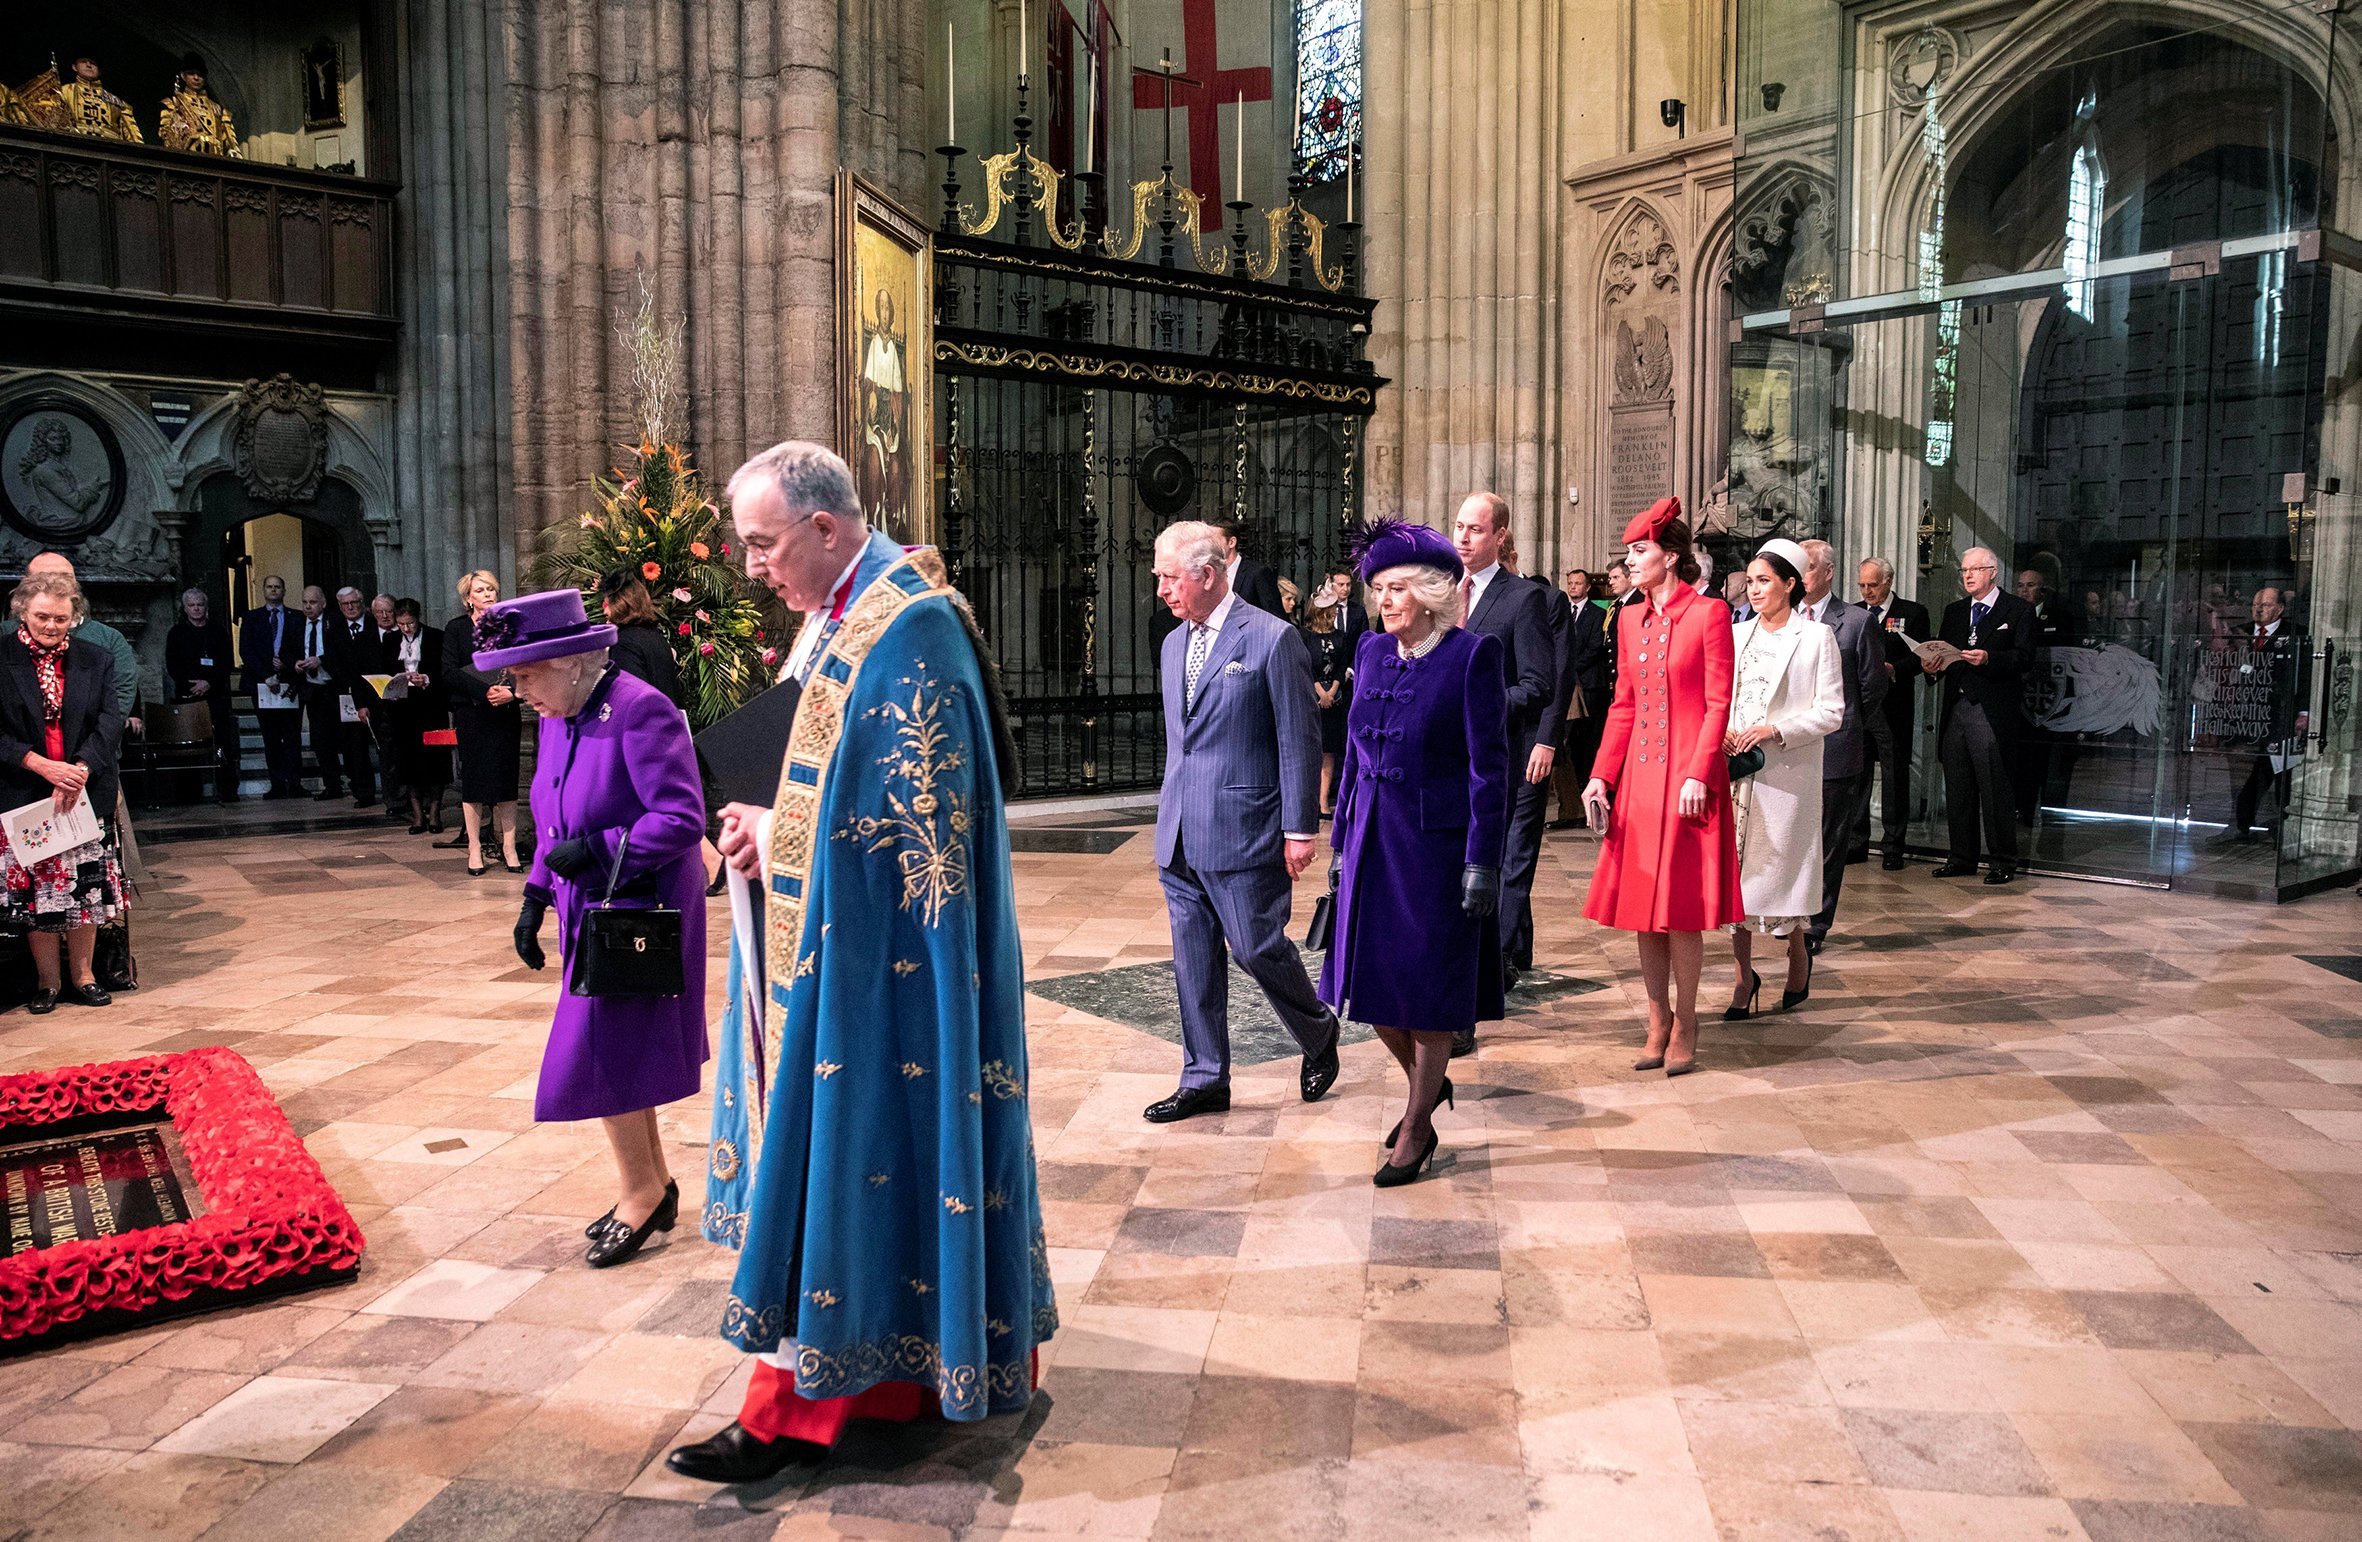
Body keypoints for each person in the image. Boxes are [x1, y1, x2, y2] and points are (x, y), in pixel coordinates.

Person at [681, 441, 1052, 1482]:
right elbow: (832, 773)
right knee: (883, 1150)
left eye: (762, 545)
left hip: (885, 962)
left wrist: (777, 829)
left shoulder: (908, 623)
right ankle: (898, 1380)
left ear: (825, 529)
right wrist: (765, 819)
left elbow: (913, 823)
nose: (752, 567)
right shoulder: (844, 613)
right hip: (855, 946)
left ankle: (785, 1412)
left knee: (841, 1149)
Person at [490, 589, 708, 1268]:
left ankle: (640, 1195)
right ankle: (655, 1185)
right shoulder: (562, 710)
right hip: (592, 905)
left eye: (527, 674)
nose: (518, 689)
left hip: (639, 910)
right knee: (622, 1048)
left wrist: (602, 848)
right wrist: (534, 895)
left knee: (604, 1053)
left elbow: (681, 816)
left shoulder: (642, 710)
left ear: (575, 660)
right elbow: (553, 810)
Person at [1322, 518, 1507, 1185]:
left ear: (1431, 592)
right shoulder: (1371, 653)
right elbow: (1350, 759)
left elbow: (1491, 768)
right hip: (1372, 841)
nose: (1387, 601)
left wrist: (1483, 860)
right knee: (1369, 991)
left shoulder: (1470, 657)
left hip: (1435, 850)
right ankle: (1424, 1094)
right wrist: (1340, 839)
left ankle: (1417, 1123)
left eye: (1398, 588)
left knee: (1428, 992)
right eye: (1380, 590)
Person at [1142, 521, 1342, 1123]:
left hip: (1244, 826)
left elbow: (1298, 740)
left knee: (1257, 948)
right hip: (1179, 830)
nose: (1161, 590)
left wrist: (1299, 828)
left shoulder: (1272, 638)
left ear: (1207, 574)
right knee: (1193, 959)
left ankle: (1318, 1031)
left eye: (1168, 577)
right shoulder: (1174, 642)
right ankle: (1204, 1076)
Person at [1581, 498, 1741, 1077]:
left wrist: (1700, 771)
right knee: (1642, 909)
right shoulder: (1628, 618)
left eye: (1640, 550)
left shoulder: (1709, 614)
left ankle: (1688, 1020)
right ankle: (1657, 1019)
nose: (1630, 560)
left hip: (1688, 778)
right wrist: (1601, 774)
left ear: (1670, 557)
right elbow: (1623, 706)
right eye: (1630, 552)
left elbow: (1719, 702)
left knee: (1679, 910)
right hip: (1641, 782)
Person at [1722, 541, 1844, 1019]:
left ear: (1791, 584)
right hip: (1735, 772)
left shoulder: (1816, 638)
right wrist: (1725, 729)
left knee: (1780, 877)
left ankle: (1797, 956)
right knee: (1734, 878)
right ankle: (1741, 977)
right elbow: (1723, 697)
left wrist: (1777, 729)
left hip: (1785, 774)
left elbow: (1832, 711)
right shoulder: (1736, 635)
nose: (1754, 590)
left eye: (1765, 580)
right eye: (1750, 581)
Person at [1, 573, 125, 1013]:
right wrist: (38, 763)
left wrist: (79, 768)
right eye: (41, 617)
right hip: (23, 788)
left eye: (60, 617)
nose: (50, 626)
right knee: (39, 892)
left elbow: (109, 719)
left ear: (75, 617)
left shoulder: (96, 657)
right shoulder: (2, 657)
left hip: (80, 789)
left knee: (84, 888)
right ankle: (48, 982)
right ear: (22, 612)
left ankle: (85, 976)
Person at [1452, 492, 1556, 1011]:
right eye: (1459, 527)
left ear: (1499, 537)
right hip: (1442, 762)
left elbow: (1538, 683)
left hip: (1494, 758)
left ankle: (1484, 979)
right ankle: (1475, 970)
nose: (1464, 538)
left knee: (1488, 867)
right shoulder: (1443, 593)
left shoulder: (1521, 599)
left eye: (1475, 529)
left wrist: (1481, 703)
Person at [1795, 540, 1886, 955]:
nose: (1799, 576)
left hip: (1836, 747)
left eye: (1808, 568)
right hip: (1789, 746)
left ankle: (1817, 923)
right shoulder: (1782, 617)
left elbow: (1871, 687)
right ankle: (1787, 914)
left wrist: (1845, 728)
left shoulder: (1855, 621)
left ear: (1828, 572)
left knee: (1829, 841)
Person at [1929, 548, 2038, 884]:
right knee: (1958, 786)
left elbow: (2024, 658)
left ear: (1993, 572)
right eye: (1964, 570)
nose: (1968, 576)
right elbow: (1943, 652)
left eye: (1975, 569)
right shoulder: (1955, 611)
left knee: (1994, 788)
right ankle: (1962, 856)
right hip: (1957, 708)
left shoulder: (2017, 609)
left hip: (1991, 709)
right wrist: (1931, 667)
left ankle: (2003, 859)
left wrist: (1990, 658)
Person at [443, 570, 523, 875]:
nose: (488, 594)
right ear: (468, 598)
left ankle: (509, 847)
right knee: (475, 780)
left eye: (491, 589)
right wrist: (483, 690)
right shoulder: (457, 629)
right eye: (481, 590)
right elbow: (449, 671)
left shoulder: (509, 628)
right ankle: (475, 849)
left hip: (505, 711)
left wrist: (512, 692)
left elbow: (526, 664)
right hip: (472, 713)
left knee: (506, 780)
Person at [2214, 584, 2306, 845]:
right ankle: (2243, 823)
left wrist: (2304, 712)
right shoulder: (2240, 633)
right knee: (2254, 772)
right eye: (2256, 604)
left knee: (2278, 771)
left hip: (2279, 717)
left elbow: (2304, 676)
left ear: (2280, 609)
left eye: (2265, 605)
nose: (2258, 609)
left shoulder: (2296, 635)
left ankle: (2273, 825)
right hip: (2245, 717)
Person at [1855, 558, 1929, 870]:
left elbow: (1923, 657)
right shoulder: (1856, 612)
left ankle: (1893, 846)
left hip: (1894, 705)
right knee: (1858, 776)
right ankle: (1856, 843)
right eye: (1862, 585)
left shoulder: (1912, 613)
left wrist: (1894, 669)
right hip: (1861, 707)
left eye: (1873, 585)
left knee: (1895, 776)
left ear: (1889, 581)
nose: (1867, 591)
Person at [164, 587, 238, 802]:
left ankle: (228, 790)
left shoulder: (218, 631)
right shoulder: (176, 633)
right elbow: (173, 665)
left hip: (216, 696)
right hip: (188, 697)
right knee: (190, 745)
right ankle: (189, 794)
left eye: (200, 605)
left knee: (223, 744)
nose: (196, 609)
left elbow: (225, 663)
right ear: (185, 608)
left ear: (206, 607)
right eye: (192, 605)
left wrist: (209, 683)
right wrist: (193, 685)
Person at [1550, 568, 1610, 830]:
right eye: (1570, 583)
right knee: (1567, 747)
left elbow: (1596, 646)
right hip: (1565, 687)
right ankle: (1572, 806)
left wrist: (1570, 668)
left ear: (1587, 588)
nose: (1573, 587)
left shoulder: (1597, 614)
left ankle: (1585, 798)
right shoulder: (1561, 611)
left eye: (1578, 583)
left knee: (1585, 744)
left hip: (1588, 685)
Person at [385, 599, 449, 834]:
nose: (406, 628)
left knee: (434, 760)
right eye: (401, 624)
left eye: (410, 623)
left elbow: (444, 670)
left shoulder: (435, 637)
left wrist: (427, 679)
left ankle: (435, 813)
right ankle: (417, 815)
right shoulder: (390, 640)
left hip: (431, 706)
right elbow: (385, 668)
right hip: (403, 708)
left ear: (418, 618)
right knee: (408, 761)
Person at [239, 576, 304, 798]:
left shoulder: (297, 617)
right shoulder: (251, 617)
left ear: (284, 590)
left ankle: (295, 783)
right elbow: (246, 651)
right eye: (270, 586)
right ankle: (276, 784)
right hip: (261, 683)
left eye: (278, 586)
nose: (274, 590)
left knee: (292, 736)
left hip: (290, 682)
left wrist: (286, 663)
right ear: (263, 590)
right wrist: (266, 674)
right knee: (271, 737)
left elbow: (302, 646)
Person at [1299, 578, 1354, 816]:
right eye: (1329, 610)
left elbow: (1342, 666)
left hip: (1334, 700)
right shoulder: (1305, 636)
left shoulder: (1341, 637)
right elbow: (1304, 666)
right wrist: (1319, 692)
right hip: (1312, 701)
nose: (1333, 614)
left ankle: (1323, 801)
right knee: (1310, 750)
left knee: (1329, 751)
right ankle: (1307, 801)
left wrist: (1332, 691)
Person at [292, 585, 351, 800]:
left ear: (323, 603)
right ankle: (332, 785)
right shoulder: (297, 623)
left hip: (334, 687)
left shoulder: (334, 622)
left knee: (342, 737)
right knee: (320, 740)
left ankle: (353, 781)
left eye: (313, 602)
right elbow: (289, 650)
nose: (308, 607)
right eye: (305, 602)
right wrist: (295, 664)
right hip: (311, 688)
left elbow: (342, 651)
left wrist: (321, 660)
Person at [596, 569, 687, 709]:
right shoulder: (656, 637)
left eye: (607, 605)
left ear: (620, 604)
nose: (605, 612)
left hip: (645, 725)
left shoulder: (624, 643)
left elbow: (631, 700)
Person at [326, 587, 380, 806]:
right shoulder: (333, 628)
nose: (350, 607)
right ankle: (363, 790)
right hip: (346, 692)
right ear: (339, 606)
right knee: (353, 745)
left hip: (374, 689)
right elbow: (330, 659)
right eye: (345, 604)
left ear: (362, 603)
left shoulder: (374, 624)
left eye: (354, 603)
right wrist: (348, 682)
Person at [1209, 512, 1288, 618]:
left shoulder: (1257, 573)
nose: (1210, 547)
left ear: (1232, 542)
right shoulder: (1210, 574)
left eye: (1215, 542)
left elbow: (1275, 616)